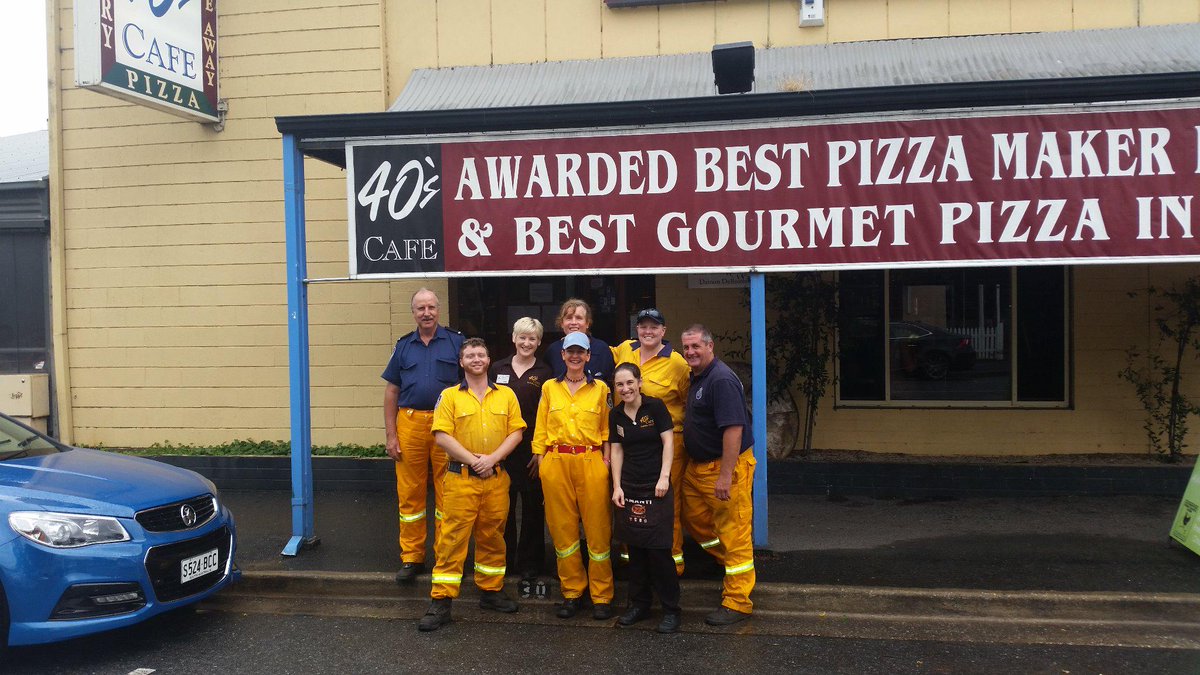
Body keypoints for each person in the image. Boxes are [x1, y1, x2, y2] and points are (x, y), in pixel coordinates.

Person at [419, 338, 526, 631]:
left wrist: (491, 460)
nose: (476, 359)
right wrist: (475, 461)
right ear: (461, 362)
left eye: (481, 354)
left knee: (493, 535)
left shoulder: (506, 395)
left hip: (495, 478)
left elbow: (516, 433)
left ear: (489, 360)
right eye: (470, 355)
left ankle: (491, 591)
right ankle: (441, 602)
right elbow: (441, 436)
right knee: (451, 540)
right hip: (460, 478)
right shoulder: (449, 396)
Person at [382, 288, 464, 584]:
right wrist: (392, 435)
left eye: (431, 307)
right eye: (420, 308)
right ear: (414, 312)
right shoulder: (404, 346)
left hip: (447, 426)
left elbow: (469, 387)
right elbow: (392, 391)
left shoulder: (457, 342)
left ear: (438, 310)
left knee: (449, 494)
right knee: (410, 495)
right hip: (411, 423)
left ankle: (446, 555)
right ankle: (412, 557)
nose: (426, 313)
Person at [532, 332, 615, 620]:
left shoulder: (602, 389)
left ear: (589, 356)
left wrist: (605, 462)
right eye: (571, 352)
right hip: (556, 461)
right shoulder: (549, 388)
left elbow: (607, 430)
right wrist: (542, 462)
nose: (576, 356)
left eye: (581, 352)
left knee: (598, 530)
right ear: (563, 356)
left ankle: (602, 596)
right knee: (562, 530)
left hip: (591, 460)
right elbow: (541, 427)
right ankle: (572, 592)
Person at [679, 324, 756, 626]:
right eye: (686, 348)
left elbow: (733, 429)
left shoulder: (720, 380)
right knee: (693, 516)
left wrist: (726, 476)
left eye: (696, 346)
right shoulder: (698, 377)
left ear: (710, 346)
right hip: (698, 468)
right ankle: (729, 562)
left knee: (734, 531)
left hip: (724, 467)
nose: (691, 352)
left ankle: (738, 601)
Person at [612, 308, 691, 575]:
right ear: (637, 329)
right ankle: (630, 558)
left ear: (663, 331)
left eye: (654, 327)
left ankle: (672, 561)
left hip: (669, 440)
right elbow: (592, 355)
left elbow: (687, 399)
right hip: (632, 441)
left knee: (667, 500)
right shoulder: (624, 350)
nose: (648, 331)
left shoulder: (677, 363)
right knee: (631, 496)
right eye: (643, 326)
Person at [609, 363, 681, 634]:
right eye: (619, 385)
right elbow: (616, 451)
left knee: (660, 551)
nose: (625, 389)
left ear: (639, 382)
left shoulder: (656, 407)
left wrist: (664, 477)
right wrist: (617, 486)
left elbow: (668, 443)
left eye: (629, 382)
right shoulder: (616, 414)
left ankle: (671, 610)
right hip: (630, 487)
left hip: (656, 487)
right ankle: (639, 605)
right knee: (635, 551)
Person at [489, 317, 554, 580]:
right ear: (513, 338)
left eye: (532, 338)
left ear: (539, 342)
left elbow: (548, 415)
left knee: (532, 511)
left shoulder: (545, 372)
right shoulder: (496, 369)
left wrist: (541, 452)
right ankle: (502, 560)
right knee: (501, 509)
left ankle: (530, 564)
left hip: (531, 452)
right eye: (522, 337)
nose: (527, 343)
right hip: (501, 450)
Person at [544, 298, 616, 383]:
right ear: (562, 323)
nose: (574, 322)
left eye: (579, 318)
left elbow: (611, 383)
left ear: (587, 323)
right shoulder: (553, 351)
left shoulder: (602, 349)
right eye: (569, 318)